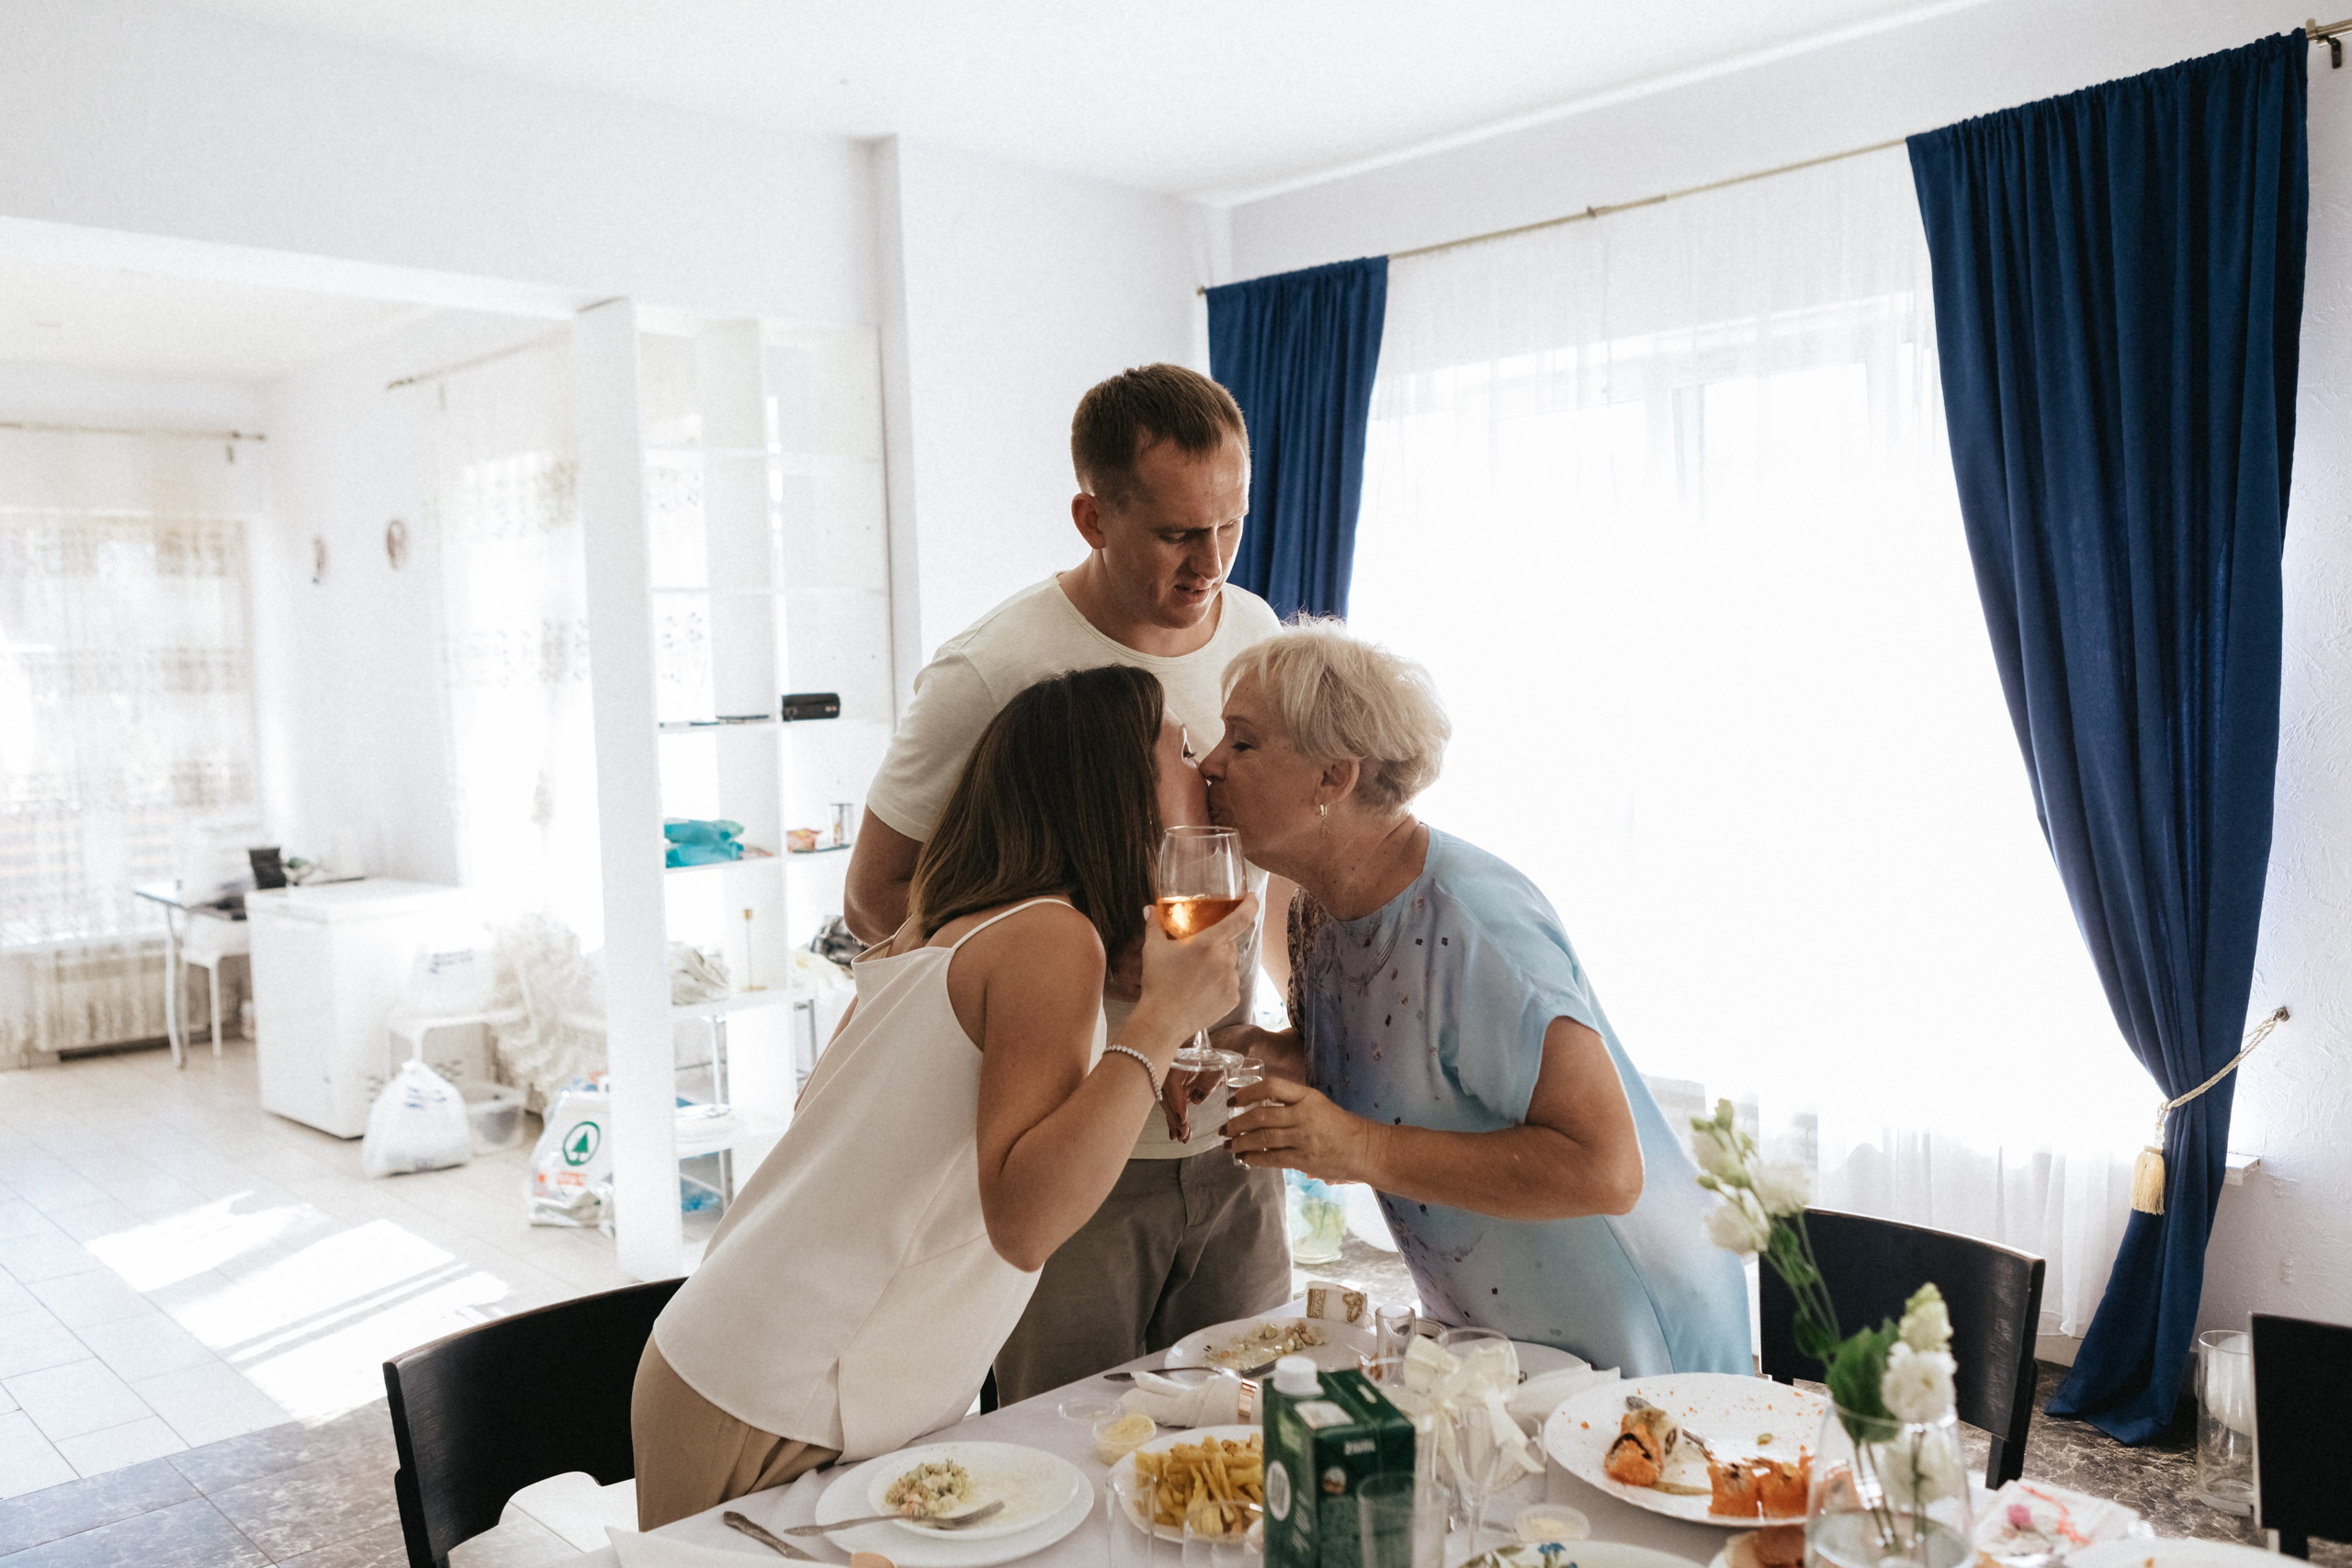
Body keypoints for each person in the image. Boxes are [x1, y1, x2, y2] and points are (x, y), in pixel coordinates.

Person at [635, 666, 1255, 1528]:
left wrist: (1151, 1043)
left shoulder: (950, 925)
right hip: (779, 1389)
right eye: (1183, 750)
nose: (1207, 769)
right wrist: (1157, 1026)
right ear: (1118, 791)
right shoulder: (1050, 938)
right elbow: (1024, 1221)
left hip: (738, 1361)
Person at [843, 363, 1292, 1404]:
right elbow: (877, 899)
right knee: (1076, 1445)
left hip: (1230, 1127)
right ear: (1093, 516)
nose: (1212, 563)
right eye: (1180, 532)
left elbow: (1276, 863)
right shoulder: (994, 671)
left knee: (1256, 1425)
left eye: (1231, 524)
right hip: (1078, 1151)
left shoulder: (1257, 635)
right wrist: (1094, 983)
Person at [1198, 622, 1749, 1376]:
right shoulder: (1315, 911)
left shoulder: (1475, 922)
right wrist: (1265, 1060)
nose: (1212, 764)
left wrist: (1356, 1147)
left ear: (1334, 778)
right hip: (1491, 1333)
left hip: (1628, 1324)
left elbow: (1609, 1169)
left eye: (1244, 741)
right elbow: (1388, 1063)